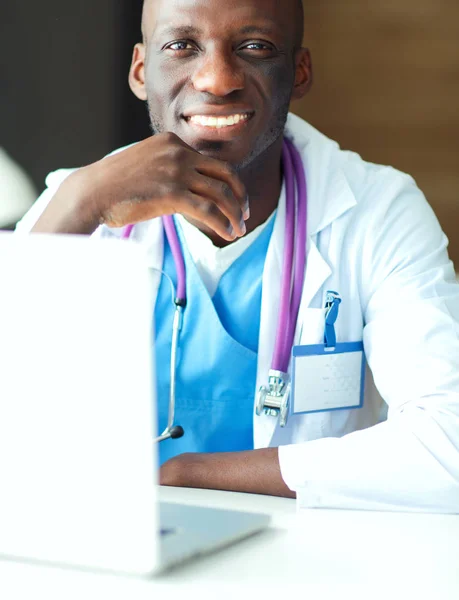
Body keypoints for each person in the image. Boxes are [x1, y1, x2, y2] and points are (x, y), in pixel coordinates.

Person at [17, 0, 459, 511]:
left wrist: (190, 474)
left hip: (312, 562)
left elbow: (448, 445)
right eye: (182, 46)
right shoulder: (76, 207)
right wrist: (79, 203)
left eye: (255, 47)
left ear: (298, 71)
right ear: (142, 71)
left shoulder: (376, 211)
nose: (217, 79)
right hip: (106, 550)